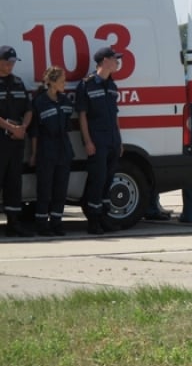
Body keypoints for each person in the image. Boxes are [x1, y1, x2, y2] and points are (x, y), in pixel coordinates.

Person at [75, 46, 124, 235]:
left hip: (112, 139)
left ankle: (104, 217)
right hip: (97, 140)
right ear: (104, 61)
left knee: (108, 180)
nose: (117, 61)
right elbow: (82, 116)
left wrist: (119, 141)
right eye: (115, 58)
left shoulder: (112, 85)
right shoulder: (87, 84)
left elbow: (115, 115)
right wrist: (87, 141)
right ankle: (93, 221)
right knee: (98, 179)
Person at [28, 66, 74, 236]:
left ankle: (56, 223)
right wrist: (34, 153)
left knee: (60, 190)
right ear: (52, 82)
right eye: (62, 80)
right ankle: (41, 224)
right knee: (44, 190)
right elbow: (34, 132)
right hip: (46, 151)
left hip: (64, 150)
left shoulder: (65, 102)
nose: (65, 83)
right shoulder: (39, 102)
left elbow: (68, 124)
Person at [0, 45, 33, 237]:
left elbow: (28, 109)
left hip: (16, 142)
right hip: (1, 141)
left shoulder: (19, 83)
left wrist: (23, 128)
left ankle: (14, 223)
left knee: (14, 182)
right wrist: (11, 128)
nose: (10, 65)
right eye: (7, 62)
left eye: (12, 62)